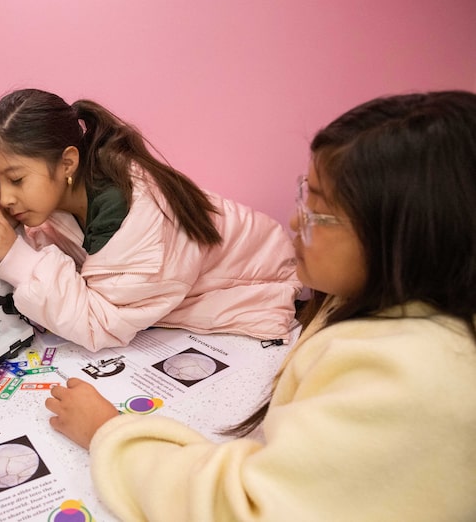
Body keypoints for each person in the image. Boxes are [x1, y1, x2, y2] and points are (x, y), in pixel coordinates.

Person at [44, 91, 476, 521]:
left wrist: (107, 431)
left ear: (409, 236)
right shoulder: (371, 304)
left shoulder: (408, 377)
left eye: (320, 212)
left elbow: (244, 508)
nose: (295, 221)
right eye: (304, 196)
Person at [0, 88, 301, 352]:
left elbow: (100, 323)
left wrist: (13, 251)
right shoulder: (57, 198)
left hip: (261, 278)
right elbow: (68, 281)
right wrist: (8, 229)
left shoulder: (131, 212)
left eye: (16, 180)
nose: (4, 197)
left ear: (66, 163)